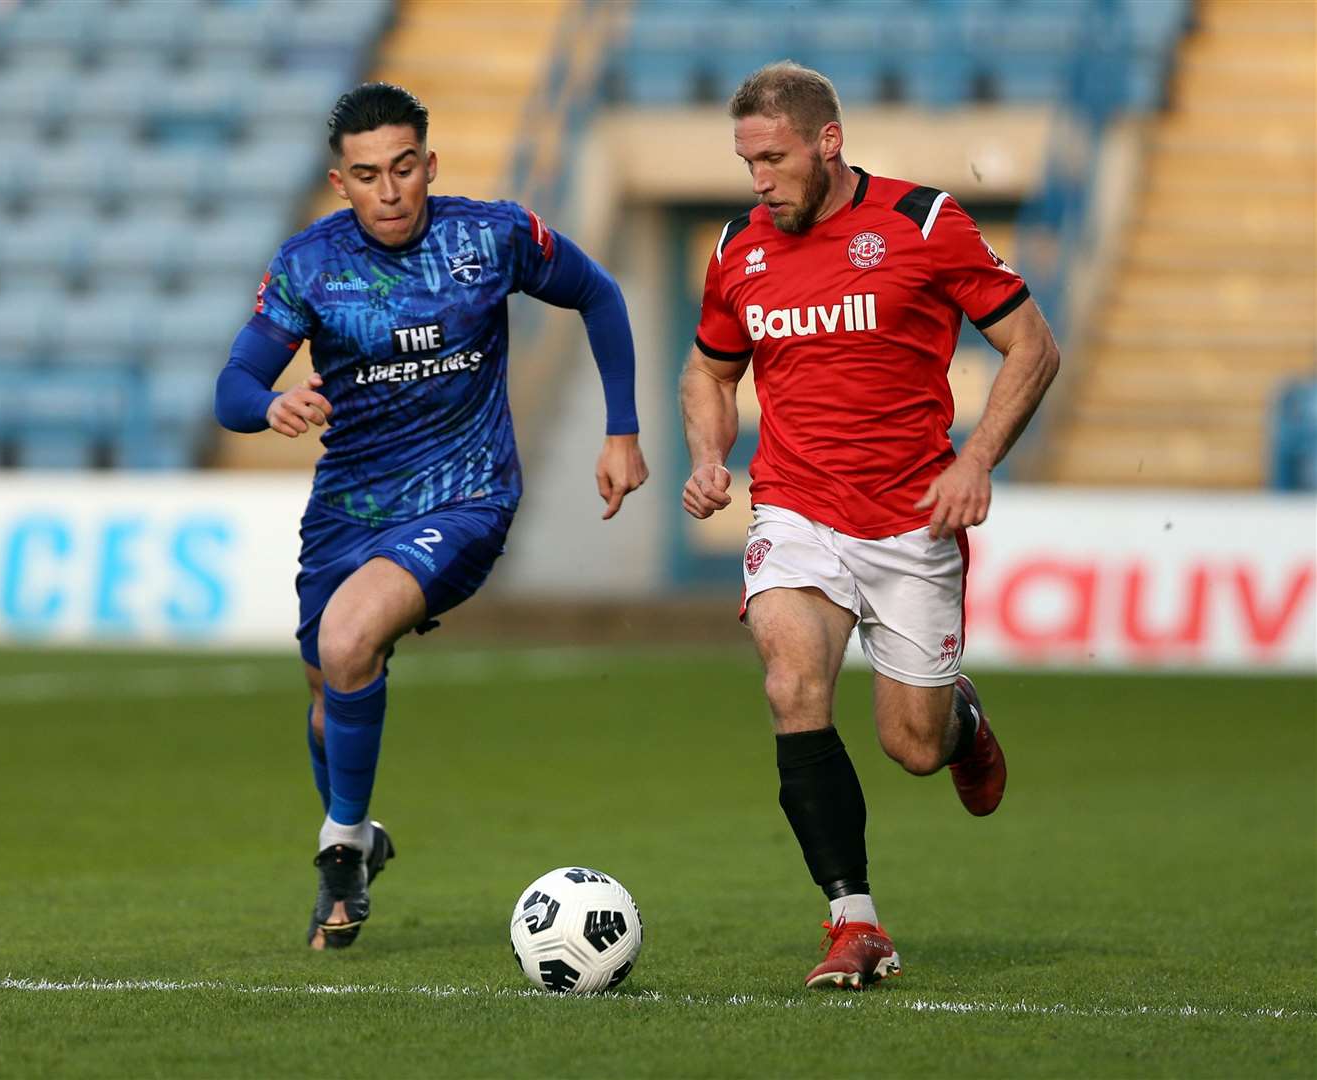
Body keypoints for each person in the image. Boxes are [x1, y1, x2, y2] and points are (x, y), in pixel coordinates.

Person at [214, 82, 648, 950]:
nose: (390, 190)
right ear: (341, 183)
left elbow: (599, 293)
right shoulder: (309, 266)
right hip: (347, 509)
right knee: (326, 688)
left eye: (405, 168)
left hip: (467, 492)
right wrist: (270, 407)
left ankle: (338, 853)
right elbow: (232, 388)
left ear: (429, 165)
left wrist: (622, 430)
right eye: (368, 174)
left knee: (347, 641)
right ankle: (361, 835)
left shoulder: (489, 238)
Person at [680, 62, 1059, 990]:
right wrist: (707, 454)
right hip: (796, 506)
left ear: (828, 142)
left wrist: (975, 462)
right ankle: (855, 923)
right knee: (790, 684)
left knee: (912, 747)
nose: (758, 182)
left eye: (772, 159)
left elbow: (1033, 347)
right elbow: (709, 371)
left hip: (911, 521)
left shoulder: (924, 224)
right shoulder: (738, 248)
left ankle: (961, 722)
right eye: (747, 163)